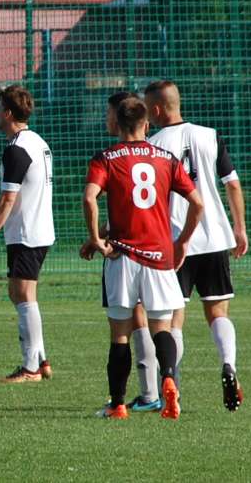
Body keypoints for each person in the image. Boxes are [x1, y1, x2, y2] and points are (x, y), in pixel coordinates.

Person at [80, 96, 204, 420]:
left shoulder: (106, 158)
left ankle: (118, 405)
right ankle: (167, 380)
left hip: (122, 257)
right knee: (162, 327)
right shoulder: (165, 158)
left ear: (117, 124)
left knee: (120, 333)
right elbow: (198, 203)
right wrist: (183, 242)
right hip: (160, 256)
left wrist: (96, 238)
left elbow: (90, 197)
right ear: (146, 124)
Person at [144, 80, 248, 411]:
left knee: (174, 318)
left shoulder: (154, 145)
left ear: (157, 109)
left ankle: (171, 382)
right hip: (215, 236)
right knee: (217, 311)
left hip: (176, 243)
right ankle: (228, 364)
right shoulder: (210, 135)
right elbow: (232, 184)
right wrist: (240, 228)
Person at [0, 85, 54, 383]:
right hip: (38, 229)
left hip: (27, 231)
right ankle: (41, 360)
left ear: (7, 113)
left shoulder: (17, 148)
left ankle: (30, 367)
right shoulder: (38, 141)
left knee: (22, 295)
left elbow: (8, 199)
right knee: (22, 293)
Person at [104, 92, 161, 412]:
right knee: (155, 318)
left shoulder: (113, 156)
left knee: (130, 323)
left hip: (132, 251)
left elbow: (90, 198)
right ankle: (155, 389)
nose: (106, 119)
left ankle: (145, 393)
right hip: (154, 246)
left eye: (109, 114)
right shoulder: (158, 155)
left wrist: (99, 237)